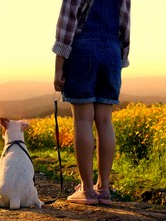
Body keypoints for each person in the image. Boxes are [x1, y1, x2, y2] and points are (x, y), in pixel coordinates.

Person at [52, 0, 131, 205]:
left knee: (83, 121)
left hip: (83, 50)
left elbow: (67, 24)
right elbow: (125, 24)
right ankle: (103, 189)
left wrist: (59, 67)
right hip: (112, 50)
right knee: (105, 122)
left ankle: (86, 189)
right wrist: (119, 58)